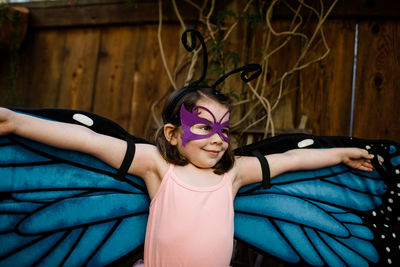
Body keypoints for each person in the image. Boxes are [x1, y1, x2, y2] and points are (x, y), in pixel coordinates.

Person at [0, 85, 374, 266]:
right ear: (173, 134)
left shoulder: (235, 174)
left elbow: (291, 159)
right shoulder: (157, 168)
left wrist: (341, 153)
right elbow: (88, 140)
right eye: (204, 127)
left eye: (224, 130)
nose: (217, 140)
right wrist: (16, 121)